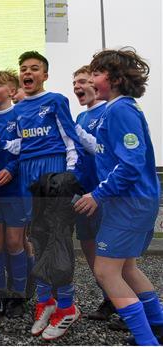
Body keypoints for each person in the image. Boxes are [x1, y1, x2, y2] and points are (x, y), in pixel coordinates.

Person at [0, 51, 84, 340]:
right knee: (38, 241)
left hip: (53, 171)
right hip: (28, 176)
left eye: (34, 68)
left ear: (44, 75)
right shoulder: (18, 110)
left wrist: (69, 176)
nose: (27, 73)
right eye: (23, 69)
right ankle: (46, 302)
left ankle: (67, 306)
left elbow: (71, 139)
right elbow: (23, 144)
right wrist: (2, 143)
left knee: (58, 242)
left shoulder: (55, 101)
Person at [74, 48, 163, 346]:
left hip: (129, 203)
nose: (90, 79)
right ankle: (158, 326)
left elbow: (131, 163)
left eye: (96, 74)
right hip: (131, 202)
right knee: (127, 268)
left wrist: (98, 194)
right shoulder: (119, 109)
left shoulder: (120, 110)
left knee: (105, 270)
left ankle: (146, 340)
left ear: (113, 79)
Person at [0, 70, 28, 319]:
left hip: (14, 191)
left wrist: (11, 169)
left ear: (11, 91)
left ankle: (18, 294)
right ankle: (0, 292)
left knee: (14, 243)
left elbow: (28, 148)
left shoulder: (20, 115)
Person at [71, 65, 112, 321]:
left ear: (96, 84)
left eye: (83, 81)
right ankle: (109, 300)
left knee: (112, 258)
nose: (77, 86)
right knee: (90, 252)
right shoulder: (80, 117)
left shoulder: (109, 112)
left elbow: (103, 150)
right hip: (83, 195)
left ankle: (131, 308)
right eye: (74, 82)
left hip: (103, 194)